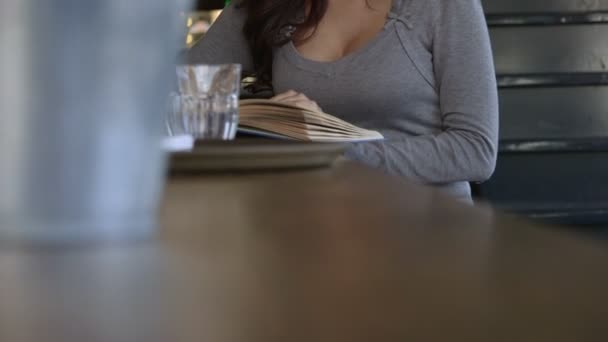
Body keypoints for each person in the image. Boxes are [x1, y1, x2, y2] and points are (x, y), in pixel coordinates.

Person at [184, 0, 499, 201]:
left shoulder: (442, 6)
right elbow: (171, 84)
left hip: (427, 230)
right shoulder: (270, 7)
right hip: (309, 226)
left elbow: (475, 149)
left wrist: (332, 150)